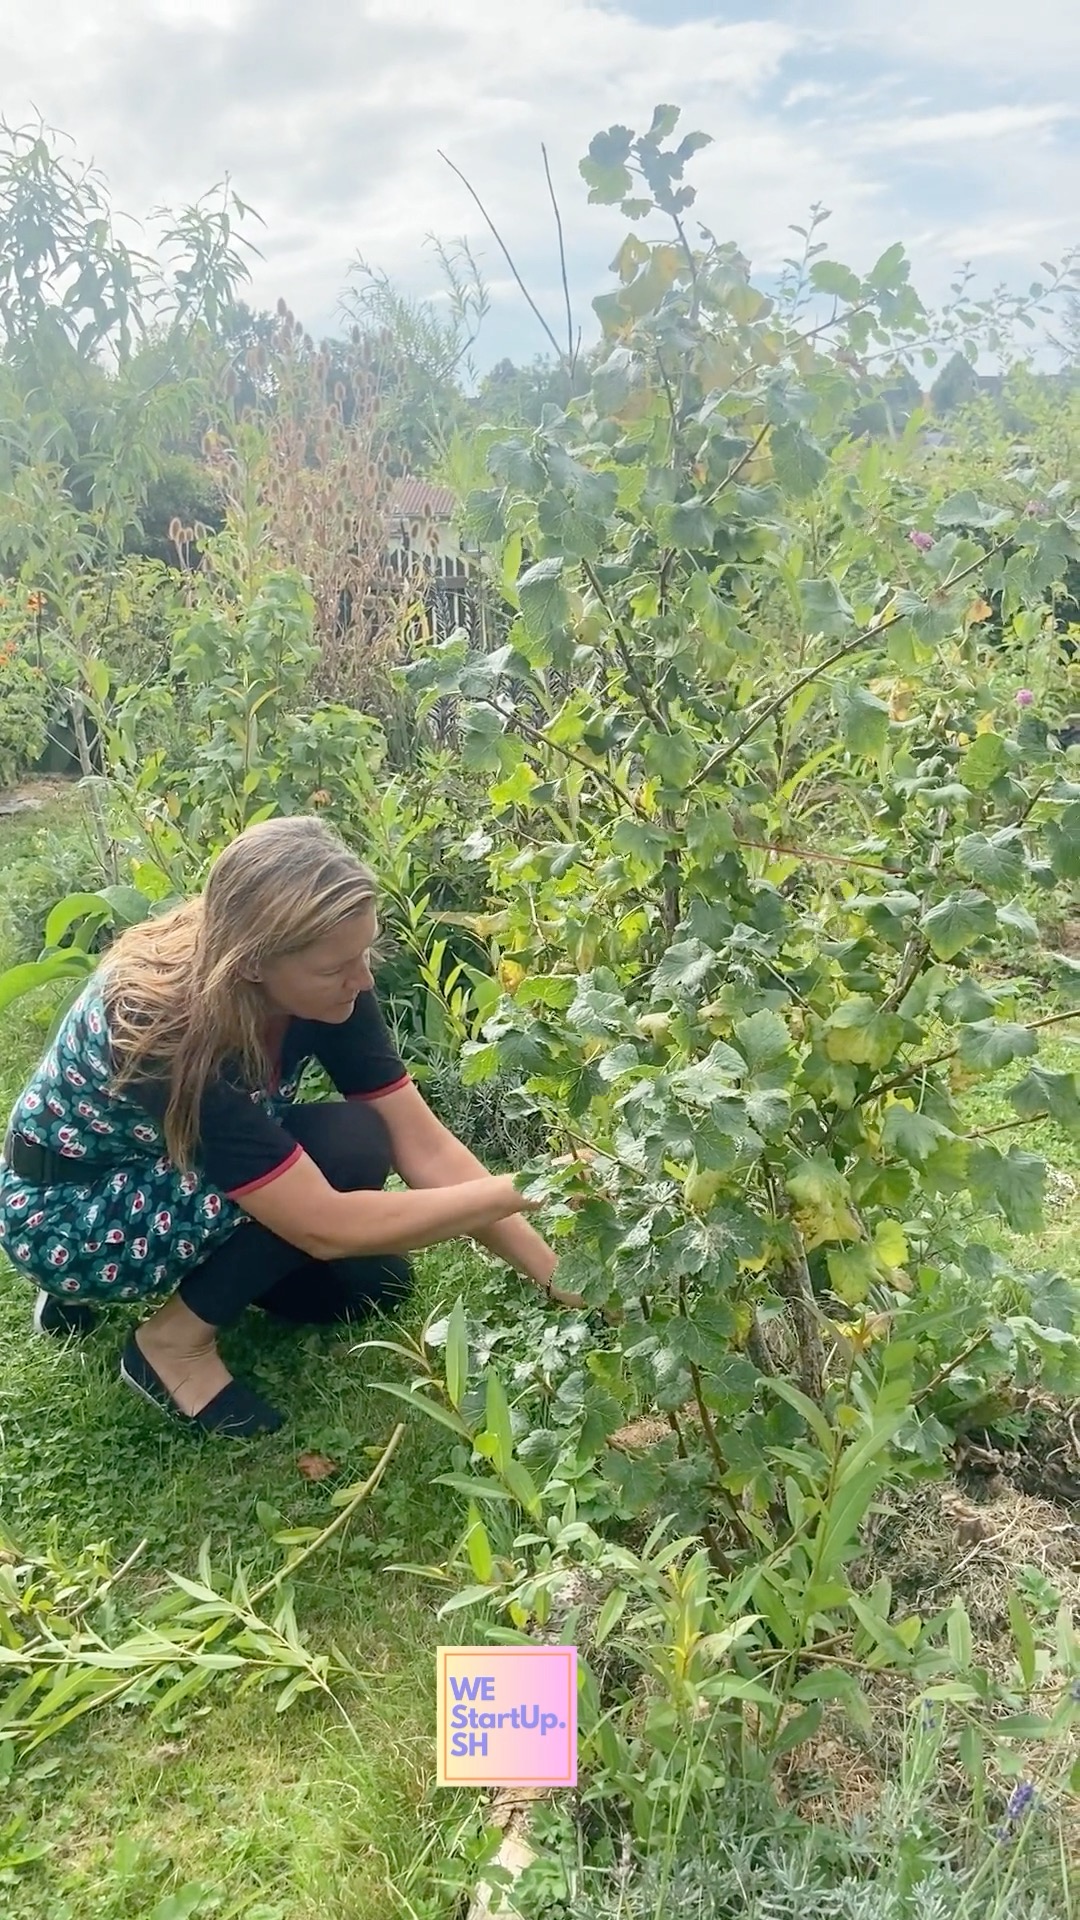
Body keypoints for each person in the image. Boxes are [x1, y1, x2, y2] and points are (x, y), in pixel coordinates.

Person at [0, 816, 577, 1438]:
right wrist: (544, 1179)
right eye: (337, 968)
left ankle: (189, 1284)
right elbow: (325, 1226)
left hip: (168, 1168)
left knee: (372, 1285)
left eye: (365, 952)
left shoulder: (329, 979)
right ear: (252, 964)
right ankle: (170, 1344)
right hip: (70, 1212)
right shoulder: (160, 1022)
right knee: (348, 1147)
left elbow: (422, 1144)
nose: (362, 979)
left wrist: (560, 1279)